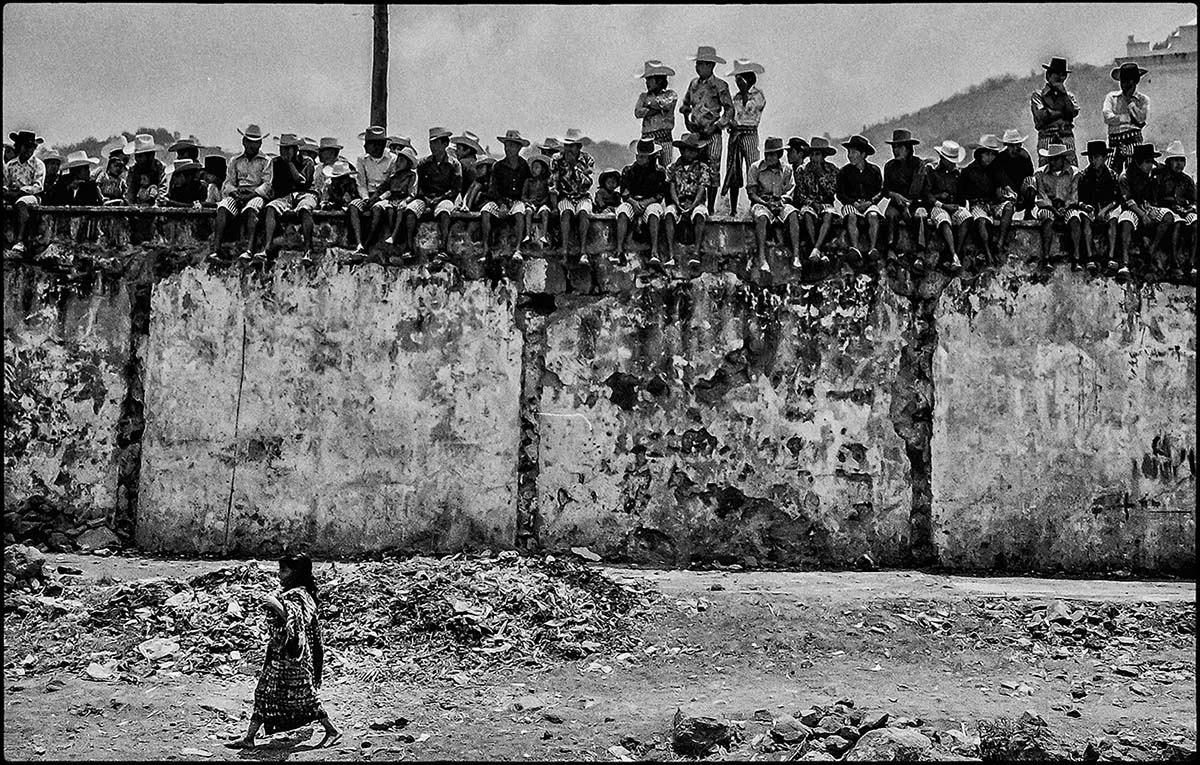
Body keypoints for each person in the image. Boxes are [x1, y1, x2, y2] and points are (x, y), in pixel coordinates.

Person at [224, 554, 340, 750]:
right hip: (278, 655)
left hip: (294, 658)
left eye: (284, 571)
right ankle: (249, 738)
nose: (279, 575)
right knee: (263, 693)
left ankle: (332, 730)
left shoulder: (300, 594)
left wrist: (273, 603)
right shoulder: (289, 591)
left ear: (296, 573)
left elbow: (297, 621)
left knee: (305, 696)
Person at [680, 45, 734, 213]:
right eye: (697, 63)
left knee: (713, 168)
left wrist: (718, 125)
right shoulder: (693, 85)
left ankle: (710, 207)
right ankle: (696, 205)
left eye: (701, 64)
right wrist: (687, 118)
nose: (698, 67)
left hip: (713, 133)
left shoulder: (720, 85)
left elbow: (729, 109)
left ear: (711, 65)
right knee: (695, 167)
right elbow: (685, 104)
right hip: (696, 133)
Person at [209, 123, 271, 263]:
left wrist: (252, 194)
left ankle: (249, 249)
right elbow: (228, 183)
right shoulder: (235, 161)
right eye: (249, 142)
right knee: (223, 206)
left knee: (252, 208)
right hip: (238, 193)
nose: (252, 146)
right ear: (244, 141)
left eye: (255, 143)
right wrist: (235, 193)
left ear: (260, 143)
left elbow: (267, 184)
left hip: (256, 194)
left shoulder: (266, 161)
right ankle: (216, 248)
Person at [257, 134, 318, 264]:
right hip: (285, 196)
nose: (284, 152)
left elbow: (302, 182)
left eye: (288, 148)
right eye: (282, 148)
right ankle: (267, 247)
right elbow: (271, 184)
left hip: (305, 194)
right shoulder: (275, 163)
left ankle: (308, 249)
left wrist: (290, 163)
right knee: (271, 208)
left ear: (296, 149)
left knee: (305, 209)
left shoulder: (307, 162)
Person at [402, 126, 461, 261]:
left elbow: (455, 189)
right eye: (431, 143)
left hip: (444, 197)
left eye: (436, 143)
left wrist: (440, 198)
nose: (433, 146)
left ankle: (443, 248)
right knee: (410, 210)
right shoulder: (423, 163)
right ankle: (409, 247)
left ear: (445, 144)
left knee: (445, 211)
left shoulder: (454, 164)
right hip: (426, 197)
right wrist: (426, 198)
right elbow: (419, 185)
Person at [743, 136, 798, 273]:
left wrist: (781, 202)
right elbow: (752, 193)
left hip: (780, 202)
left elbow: (790, 190)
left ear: (779, 155)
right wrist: (766, 203)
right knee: (761, 217)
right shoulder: (755, 168)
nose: (769, 157)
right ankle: (762, 257)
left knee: (792, 214)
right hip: (761, 202)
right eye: (767, 154)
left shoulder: (787, 170)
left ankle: (796, 256)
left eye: (772, 154)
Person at [1115, 143, 1171, 278]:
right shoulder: (1125, 176)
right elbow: (1128, 201)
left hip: (1147, 206)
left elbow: (1163, 168)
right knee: (1126, 221)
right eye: (1147, 162)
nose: (1150, 165)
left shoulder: (1151, 173)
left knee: (1168, 216)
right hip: (1132, 208)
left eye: (1151, 162)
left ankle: (1152, 249)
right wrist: (1143, 215)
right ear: (1137, 162)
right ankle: (1125, 262)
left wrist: (1150, 209)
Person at [959, 134, 1014, 265]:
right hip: (978, 205)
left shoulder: (996, 169)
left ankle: (1000, 242)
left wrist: (1008, 192)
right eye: (987, 154)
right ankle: (988, 254)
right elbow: (962, 194)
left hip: (994, 204)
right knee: (981, 221)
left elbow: (1004, 182)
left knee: (1009, 206)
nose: (990, 158)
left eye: (993, 154)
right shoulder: (968, 172)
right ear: (980, 154)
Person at [722, 59, 766, 216]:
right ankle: (733, 209)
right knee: (733, 170)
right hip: (736, 135)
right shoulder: (736, 97)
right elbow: (733, 115)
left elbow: (752, 109)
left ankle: (756, 205)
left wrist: (745, 92)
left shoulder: (758, 95)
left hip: (749, 134)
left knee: (752, 168)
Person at [482, 130, 532, 262]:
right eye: (507, 146)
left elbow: (528, 186)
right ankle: (486, 248)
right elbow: (493, 189)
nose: (508, 149)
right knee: (486, 211)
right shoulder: (498, 166)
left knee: (520, 211)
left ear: (518, 148)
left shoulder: (524, 166)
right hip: (500, 200)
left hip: (517, 200)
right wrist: (501, 203)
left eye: (512, 146)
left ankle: (518, 249)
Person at [615, 139, 667, 265]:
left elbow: (659, 195)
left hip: (650, 202)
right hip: (633, 201)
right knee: (622, 211)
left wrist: (645, 203)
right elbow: (625, 193)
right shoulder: (629, 170)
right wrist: (634, 203)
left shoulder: (659, 172)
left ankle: (654, 251)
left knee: (654, 213)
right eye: (638, 156)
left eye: (643, 157)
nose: (639, 159)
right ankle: (619, 250)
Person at [1031, 142, 1083, 267]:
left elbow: (1073, 196)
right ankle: (1046, 257)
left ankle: (1076, 257)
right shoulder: (1040, 174)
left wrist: (1065, 208)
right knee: (1047, 218)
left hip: (1066, 206)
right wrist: (1053, 208)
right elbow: (1041, 196)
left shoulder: (1074, 173)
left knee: (1075, 218)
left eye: (1056, 159)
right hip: (1047, 206)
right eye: (1050, 159)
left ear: (1063, 159)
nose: (1052, 162)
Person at [664, 132, 711, 268]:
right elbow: (672, 187)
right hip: (678, 200)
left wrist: (693, 205)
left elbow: (702, 189)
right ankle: (671, 254)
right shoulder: (672, 168)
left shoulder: (703, 168)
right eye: (687, 150)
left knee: (700, 214)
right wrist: (677, 204)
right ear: (682, 150)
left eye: (693, 151)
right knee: (669, 213)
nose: (690, 154)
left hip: (696, 201)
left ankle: (696, 252)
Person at [836, 134, 884, 265]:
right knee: (851, 216)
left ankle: (873, 248)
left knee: (873, 215)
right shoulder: (844, 172)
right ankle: (855, 247)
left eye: (853, 152)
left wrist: (871, 202)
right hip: (851, 203)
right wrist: (853, 202)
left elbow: (880, 191)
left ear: (863, 154)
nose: (850, 155)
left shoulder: (874, 171)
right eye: (849, 152)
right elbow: (840, 193)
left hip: (869, 203)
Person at [921, 140, 969, 272]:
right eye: (949, 160)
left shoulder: (956, 174)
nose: (952, 164)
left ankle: (955, 253)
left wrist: (957, 204)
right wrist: (941, 202)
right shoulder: (932, 172)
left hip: (952, 206)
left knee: (966, 217)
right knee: (943, 219)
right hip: (937, 207)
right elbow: (927, 195)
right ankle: (953, 254)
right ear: (942, 159)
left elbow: (961, 197)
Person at [880, 128, 928, 258]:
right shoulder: (889, 166)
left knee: (920, 217)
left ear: (908, 148)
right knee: (890, 215)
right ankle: (890, 249)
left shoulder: (918, 164)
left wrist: (908, 204)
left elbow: (920, 189)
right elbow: (885, 189)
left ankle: (921, 252)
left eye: (899, 147)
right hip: (896, 203)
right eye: (894, 147)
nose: (896, 150)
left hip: (915, 203)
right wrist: (893, 195)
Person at [348, 126, 395, 256]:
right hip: (368, 194)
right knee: (353, 206)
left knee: (377, 209)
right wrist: (366, 198)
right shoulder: (362, 159)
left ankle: (367, 244)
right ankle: (358, 243)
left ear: (382, 144)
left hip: (384, 197)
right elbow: (361, 183)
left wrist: (379, 198)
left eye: (371, 143)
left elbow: (392, 185)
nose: (366, 147)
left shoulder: (393, 159)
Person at [1075, 140, 1122, 271]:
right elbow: (1079, 199)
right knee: (1084, 218)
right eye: (1091, 157)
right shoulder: (1084, 176)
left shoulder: (1112, 176)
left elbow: (1116, 199)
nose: (1093, 160)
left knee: (1113, 219)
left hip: (1108, 208)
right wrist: (1085, 206)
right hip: (1091, 209)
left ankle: (1111, 256)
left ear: (1105, 158)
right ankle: (1090, 257)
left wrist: (1104, 211)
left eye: (1096, 157)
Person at [793, 136, 839, 265]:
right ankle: (816, 248)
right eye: (812, 154)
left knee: (828, 214)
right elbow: (800, 194)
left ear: (823, 156)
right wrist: (812, 203)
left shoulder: (832, 170)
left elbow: (832, 191)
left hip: (826, 203)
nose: (814, 158)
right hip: (810, 203)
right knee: (807, 214)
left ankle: (817, 247)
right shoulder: (802, 170)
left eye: (817, 154)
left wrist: (820, 175)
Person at [550, 129, 595, 262]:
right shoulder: (556, 159)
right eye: (566, 146)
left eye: (571, 146)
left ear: (579, 147)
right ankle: (564, 251)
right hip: (565, 196)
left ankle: (583, 252)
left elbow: (586, 184)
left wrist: (574, 166)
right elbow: (553, 183)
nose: (568, 149)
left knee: (583, 213)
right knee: (566, 213)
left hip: (582, 196)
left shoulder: (587, 159)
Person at [1155, 140, 1196, 280]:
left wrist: (1190, 208)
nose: (1179, 164)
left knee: (1195, 222)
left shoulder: (1187, 181)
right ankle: (1174, 262)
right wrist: (1172, 205)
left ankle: (1192, 263)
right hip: (1167, 211)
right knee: (1177, 222)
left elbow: (1195, 200)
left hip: (1185, 211)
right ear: (1169, 162)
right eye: (1176, 160)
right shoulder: (1161, 178)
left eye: (1181, 160)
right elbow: (1156, 198)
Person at [1030, 57, 1080, 165]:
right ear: (1048, 75)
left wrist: (1063, 95)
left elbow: (1073, 112)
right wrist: (1062, 113)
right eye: (1056, 74)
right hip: (1047, 136)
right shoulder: (1038, 95)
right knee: (1045, 169)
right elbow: (1043, 115)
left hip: (1066, 136)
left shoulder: (1069, 96)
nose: (1060, 78)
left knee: (1071, 167)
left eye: (1063, 75)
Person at [1103, 62, 1150, 176]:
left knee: (1135, 173)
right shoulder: (1112, 97)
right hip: (1114, 142)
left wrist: (1130, 101)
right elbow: (1107, 117)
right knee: (1109, 173)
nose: (1125, 85)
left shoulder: (1142, 100)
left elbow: (1140, 119)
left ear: (1135, 82)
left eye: (1129, 81)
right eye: (1123, 81)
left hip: (1134, 141)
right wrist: (1128, 118)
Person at [3, 130, 45, 253]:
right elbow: (6, 183)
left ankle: (20, 240)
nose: (29, 150)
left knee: (21, 203)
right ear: (19, 147)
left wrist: (21, 192)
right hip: (13, 194)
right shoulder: (11, 165)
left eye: (31, 147)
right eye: (26, 146)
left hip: (32, 196)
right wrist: (7, 191)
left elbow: (38, 186)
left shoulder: (38, 165)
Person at [634, 60, 678, 169]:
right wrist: (657, 108)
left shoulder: (670, 94)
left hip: (665, 137)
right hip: (648, 139)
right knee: (647, 168)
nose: (647, 83)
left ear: (659, 80)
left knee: (667, 169)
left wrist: (649, 106)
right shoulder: (643, 96)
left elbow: (664, 104)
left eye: (650, 79)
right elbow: (638, 112)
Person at [379, 146, 419, 254]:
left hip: (404, 199)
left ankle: (395, 235)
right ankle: (393, 236)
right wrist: (380, 198)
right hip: (393, 200)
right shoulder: (393, 177)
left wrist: (405, 201)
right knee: (389, 210)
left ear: (408, 163)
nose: (398, 163)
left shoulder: (412, 176)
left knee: (401, 209)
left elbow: (412, 193)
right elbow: (388, 190)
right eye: (398, 160)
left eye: (402, 161)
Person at [995, 129, 1037, 217]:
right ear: (1007, 146)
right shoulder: (1000, 158)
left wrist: (1027, 159)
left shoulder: (1023, 156)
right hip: (1007, 188)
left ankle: (1028, 212)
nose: (1015, 149)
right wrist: (1010, 190)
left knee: (1031, 182)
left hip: (1021, 189)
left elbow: (1030, 174)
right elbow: (1000, 177)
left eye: (1017, 145)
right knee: (1000, 191)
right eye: (1012, 146)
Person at [521, 154, 553, 248]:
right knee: (528, 211)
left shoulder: (546, 182)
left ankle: (543, 235)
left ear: (542, 169)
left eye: (537, 168)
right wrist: (528, 201)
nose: (534, 170)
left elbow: (548, 195)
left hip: (543, 203)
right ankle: (527, 234)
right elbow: (523, 196)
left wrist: (542, 202)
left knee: (545, 212)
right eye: (533, 168)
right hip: (531, 203)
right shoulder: (528, 181)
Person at [125, 135, 166, 207]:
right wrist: (130, 205)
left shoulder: (159, 167)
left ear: (151, 155)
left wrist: (157, 204)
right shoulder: (133, 170)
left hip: (156, 207)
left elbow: (163, 189)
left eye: (140, 156)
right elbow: (130, 190)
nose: (137, 159)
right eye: (136, 156)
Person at [451, 131, 485, 204]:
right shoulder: (480, 165)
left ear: (467, 151)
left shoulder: (461, 164)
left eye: (459, 149)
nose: (456, 152)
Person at [312, 137, 344, 202]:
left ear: (332, 152)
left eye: (322, 151)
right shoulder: (318, 168)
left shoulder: (342, 167)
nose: (319, 154)